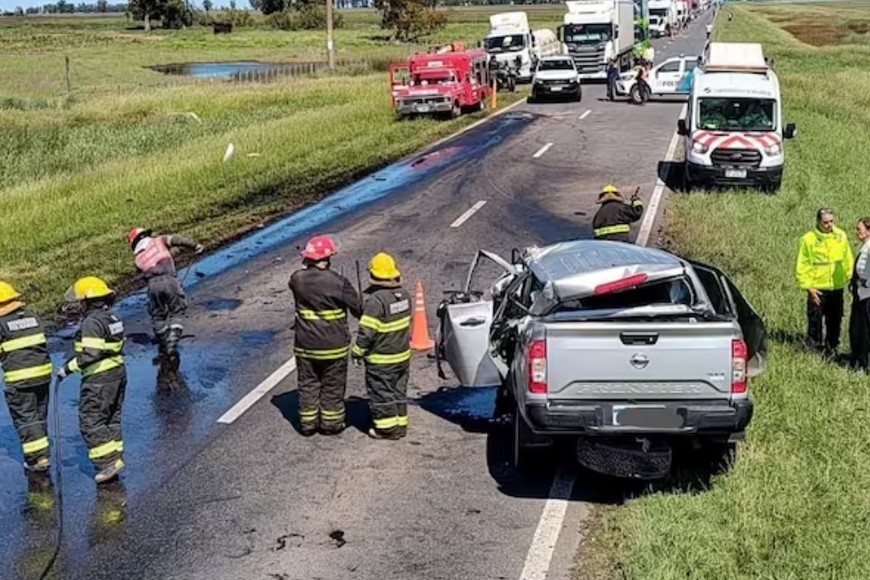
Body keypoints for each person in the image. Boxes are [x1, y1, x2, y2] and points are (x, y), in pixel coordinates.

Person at [288, 235, 362, 436]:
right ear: (327, 258)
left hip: (305, 346)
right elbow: (358, 309)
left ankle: (308, 424)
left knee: (308, 383)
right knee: (333, 385)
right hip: (333, 346)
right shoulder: (339, 282)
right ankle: (331, 424)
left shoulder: (297, 279)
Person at [57, 277, 128, 484]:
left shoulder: (92, 322)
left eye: (80, 301)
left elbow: (90, 354)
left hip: (99, 378)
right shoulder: (111, 317)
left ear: (88, 301)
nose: (77, 305)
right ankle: (116, 457)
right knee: (111, 417)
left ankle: (108, 463)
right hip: (117, 373)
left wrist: (67, 369)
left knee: (91, 420)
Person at [352, 253, 412, 440]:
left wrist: (357, 351)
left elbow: (367, 332)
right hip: (402, 356)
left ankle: (386, 429)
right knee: (398, 391)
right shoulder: (404, 295)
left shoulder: (376, 301)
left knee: (382, 394)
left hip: (381, 360)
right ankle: (400, 425)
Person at [0, 281, 53, 473]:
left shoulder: (1, 323)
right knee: (39, 414)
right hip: (43, 374)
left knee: (26, 418)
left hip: (20, 379)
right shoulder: (32, 316)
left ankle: (37, 459)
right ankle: (43, 452)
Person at [127, 228, 203, 360]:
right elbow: (178, 240)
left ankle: (163, 340)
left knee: (158, 315)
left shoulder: (138, 259)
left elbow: (142, 275)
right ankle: (172, 343)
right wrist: (195, 246)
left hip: (153, 286)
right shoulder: (159, 241)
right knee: (177, 310)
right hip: (170, 280)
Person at [796, 209, 854, 357]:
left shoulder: (840, 236)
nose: (829, 225)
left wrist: (851, 277)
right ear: (818, 222)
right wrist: (808, 287)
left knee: (835, 319)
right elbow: (803, 264)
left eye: (831, 221)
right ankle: (814, 349)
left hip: (836, 286)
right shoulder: (808, 239)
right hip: (817, 287)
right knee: (815, 320)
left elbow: (848, 258)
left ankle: (832, 347)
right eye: (826, 222)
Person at [849, 218, 870, 371]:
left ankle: (862, 362)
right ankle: (858, 358)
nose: (857, 232)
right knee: (857, 328)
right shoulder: (865, 246)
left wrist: (864, 283)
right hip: (861, 293)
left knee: (864, 330)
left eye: (859, 229)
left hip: (867, 295)